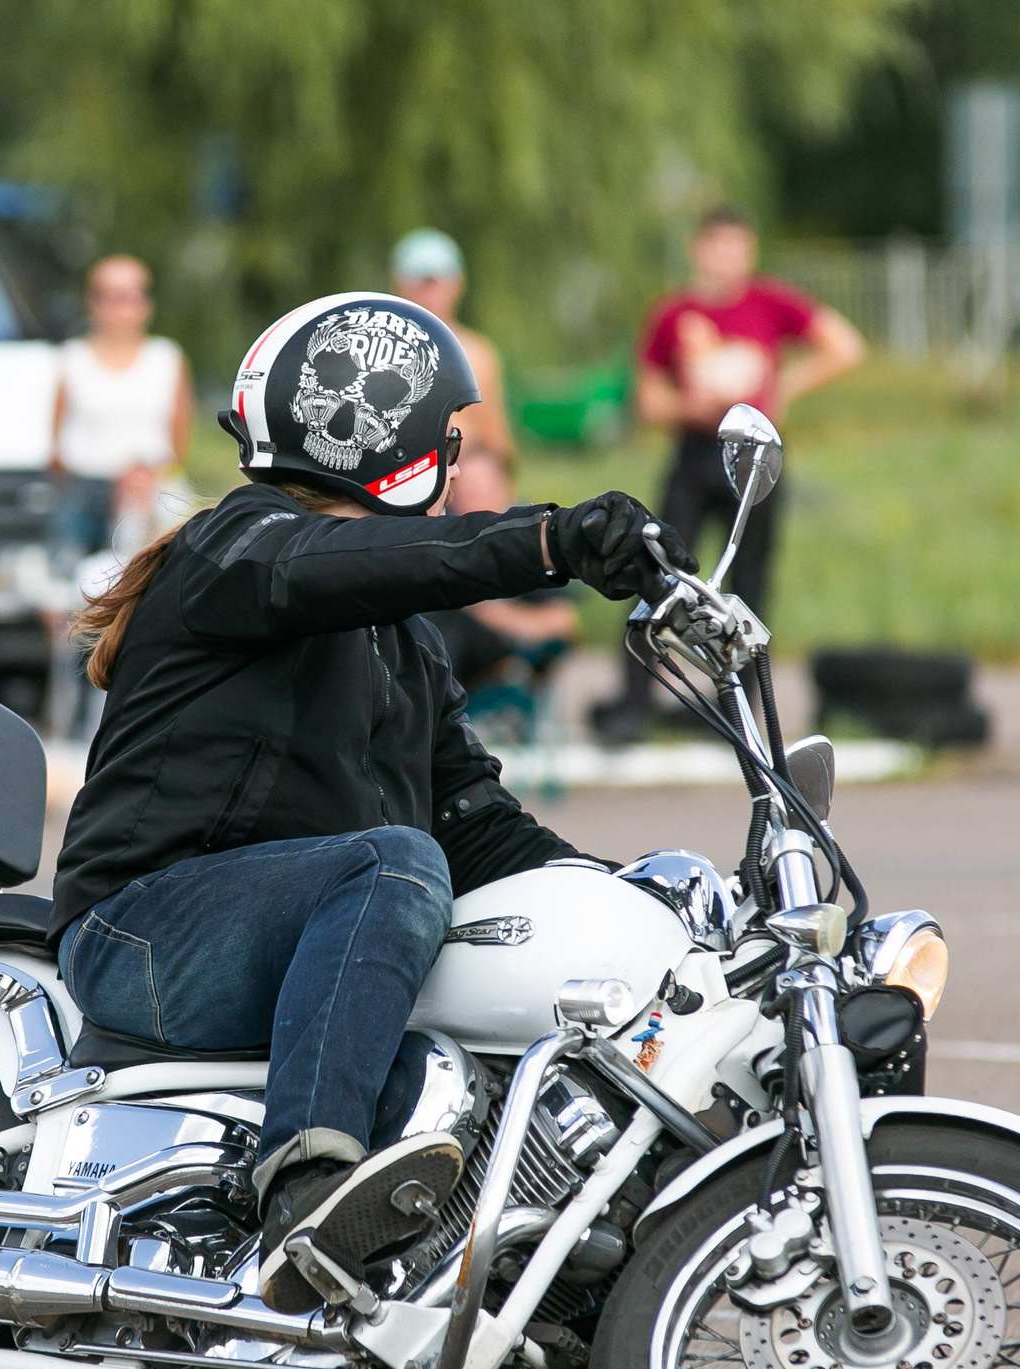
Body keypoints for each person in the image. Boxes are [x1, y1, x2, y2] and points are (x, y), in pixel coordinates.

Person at [54, 290, 694, 1314]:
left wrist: (628, 900)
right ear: (383, 436)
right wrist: (549, 542)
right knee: (390, 861)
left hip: (289, 940)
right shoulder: (236, 551)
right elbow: (344, 569)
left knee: (483, 1012)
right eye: (448, 437)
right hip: (143, 933)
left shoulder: (397, 636)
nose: (453, 462)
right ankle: (304, 1192)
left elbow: (476, 824)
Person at [590, 205, 866, 745]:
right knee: (661, 574)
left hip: (754, 459)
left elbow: (844, 346)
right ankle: (634, 703)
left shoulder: (771, 302)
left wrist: (782, 389)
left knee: (750, 585)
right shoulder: (674, 314)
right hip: (695, 455)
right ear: (699, 250)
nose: (726, 259)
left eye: (736, 248)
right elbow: (647, 400)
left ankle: (740, 712)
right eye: (717, 247)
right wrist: (693, 407)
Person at [389, 227, 580, 690]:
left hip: (468, 483)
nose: (429, 291)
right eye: (420, 280)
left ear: (455, 283)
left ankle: (504, 654)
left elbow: (495, 434)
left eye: (436, 280)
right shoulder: (389, 351)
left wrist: (495, 484)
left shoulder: (476, 351)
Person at [51, 254, 195, 557]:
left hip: (148, 492)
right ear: (94, 302)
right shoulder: (72, 358)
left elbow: (179, 438)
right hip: (85, 491)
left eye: (133, 297)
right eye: (114, 298)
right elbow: (57, 439)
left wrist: (148, 479)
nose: (124, 309)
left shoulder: (166, 357)